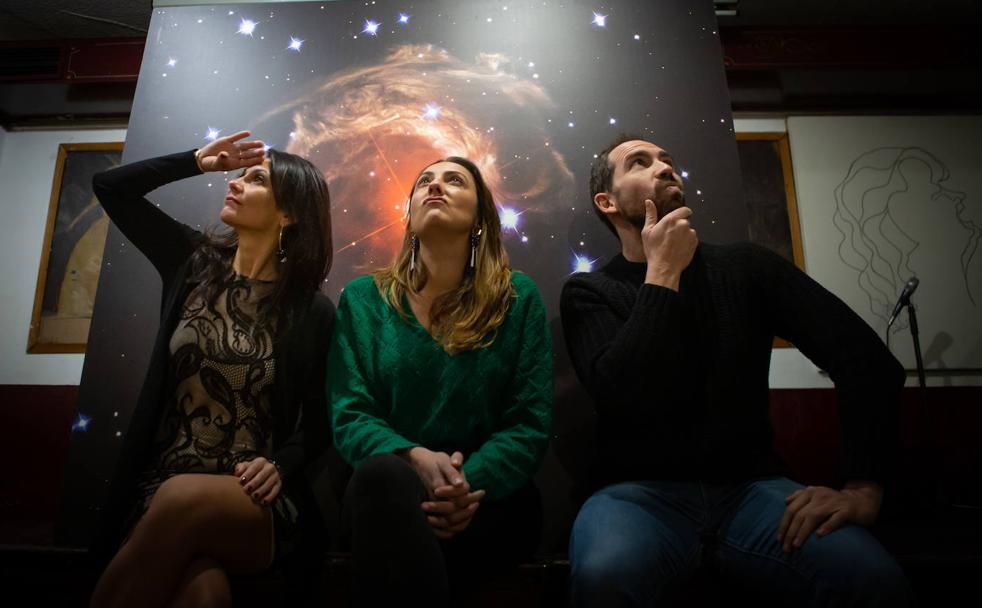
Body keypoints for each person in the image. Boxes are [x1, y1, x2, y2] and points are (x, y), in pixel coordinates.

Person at [560, 134, 913, 606]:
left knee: (874, 579)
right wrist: (662, 273)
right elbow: (620, 395)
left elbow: (868, 362)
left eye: (668, 160)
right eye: (639, 163)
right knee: (605, 576)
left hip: (753, 492)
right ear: (606, 201)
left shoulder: (747, 268)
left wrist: (863, 489)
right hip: (635, 497)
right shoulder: (589, 292)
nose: (665, 168)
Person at [89, 131, 335, 608]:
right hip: (159, 488)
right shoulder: (191, 262)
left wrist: (280, 463)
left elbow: (321, 420)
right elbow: (109, 187)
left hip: (251, 500)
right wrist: (196, 161)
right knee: (205, 594)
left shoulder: (311, 311)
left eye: (256, 179)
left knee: (183, 501)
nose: (236, 182)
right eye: (238, 175)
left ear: (290, 213)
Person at [327, 156, 553, 606]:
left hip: (489, 498)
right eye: (424, 181)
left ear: (480, 217)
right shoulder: (362, 299)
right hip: (385, 495)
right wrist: (413, 459)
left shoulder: (519, 298)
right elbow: (349, 413)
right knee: (382, 478)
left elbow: (529, 422)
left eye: (454, 180)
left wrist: (464, 483)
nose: (436, 186)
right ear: (409, 213)